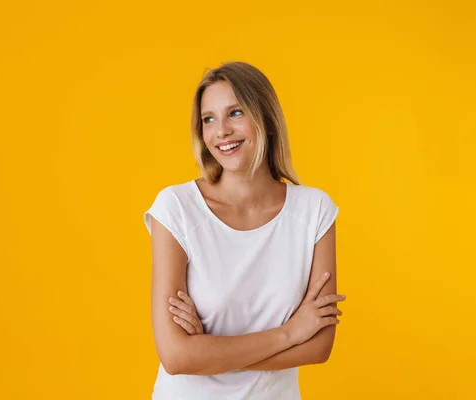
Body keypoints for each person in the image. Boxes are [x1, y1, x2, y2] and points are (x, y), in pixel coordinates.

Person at [143, 61, 345, 399]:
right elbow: (176, 356)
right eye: (209, 119)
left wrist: (208, 351)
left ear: (265, 119)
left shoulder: (314, 211)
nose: (220, 131)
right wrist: (290, 333)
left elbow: (319, 347)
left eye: (235, 113)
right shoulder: (176, 208)